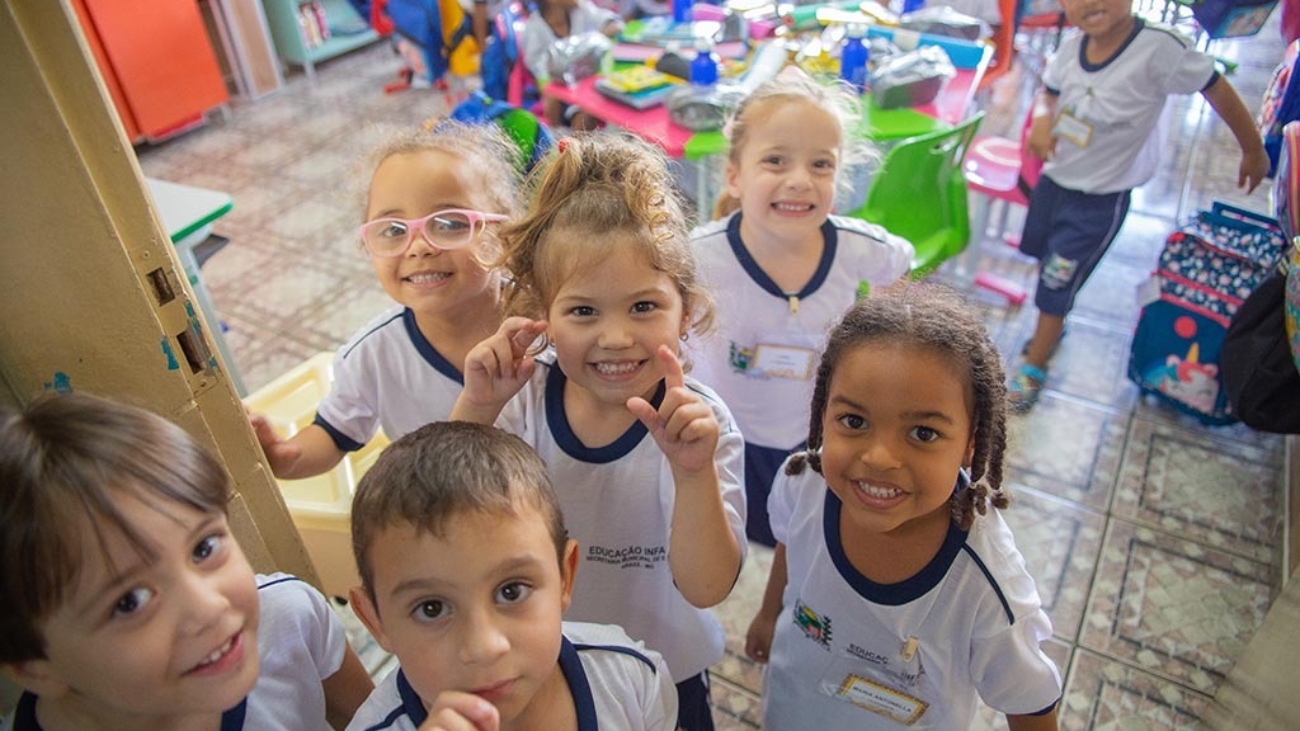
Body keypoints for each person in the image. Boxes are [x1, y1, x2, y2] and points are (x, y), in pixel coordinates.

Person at [451, 132, 746, 731]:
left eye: (643, 307)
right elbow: (444, 515)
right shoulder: (522, 404)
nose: (615, 337)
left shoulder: (701, 426)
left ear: (684, 311)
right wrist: (476, 407)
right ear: (542, 313)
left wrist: (694, 474)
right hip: (554, 668)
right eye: (584, 311)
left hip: (670, 672)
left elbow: (708, 586)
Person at [744, 286, 1062, 730]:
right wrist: (768, 610)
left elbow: (1030, 703)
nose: (879, 458)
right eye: (854, 422)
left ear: (971, 444)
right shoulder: (805, 483)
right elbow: (788, 542)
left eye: (923, 433)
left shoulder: (986, 584)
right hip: (793, 709)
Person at [0, 392, 373, 731]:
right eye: (130, 601)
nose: (210, 608)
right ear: (34, 668)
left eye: (204, 548)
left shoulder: (290, 618)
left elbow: (366, 720)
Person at [1008, 0, 1270, 411]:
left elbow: (1214, 85)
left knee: (1056, 284)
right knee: (1049, 267)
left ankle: (1034, 364)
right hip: (1054, 185)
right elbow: (1049, 93)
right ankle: (1051, 329)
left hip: (1098, 201)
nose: (1091, 3)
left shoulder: (1159, 49)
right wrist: (1042, 120)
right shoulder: (1070, 48)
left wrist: (1253, 149)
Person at [690, 66, 913, 548]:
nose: (800, 181)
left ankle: (773, 613)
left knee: (799, 538)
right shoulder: (699, 255)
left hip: (811, 438)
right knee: (722, 538)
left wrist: (877, 344)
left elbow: (899, 266)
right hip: (724, 440)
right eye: (775, 161)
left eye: (821, 165)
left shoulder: (856, 247)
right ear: (734, 175)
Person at [346, 420, 678, 731]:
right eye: (431, 608)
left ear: (564, 575)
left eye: (512, 591)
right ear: (375, 620)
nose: (485, 646)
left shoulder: (631, 678)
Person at [248, 121, 521, 479]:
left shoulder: (552, 320)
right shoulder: (372, 356)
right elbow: (331, 435)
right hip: (455, 513)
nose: (419, 246)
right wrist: (285, 457)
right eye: (393, 230)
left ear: (504, 232)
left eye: (450, 224)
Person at [521, 0, 622, 130]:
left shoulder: (581, 10)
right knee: (584, 116)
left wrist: (593, 40)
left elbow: (614, 24)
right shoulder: (534, 30)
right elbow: (542, 78)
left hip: (588, 86)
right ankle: (574, 147)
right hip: (559, 95)